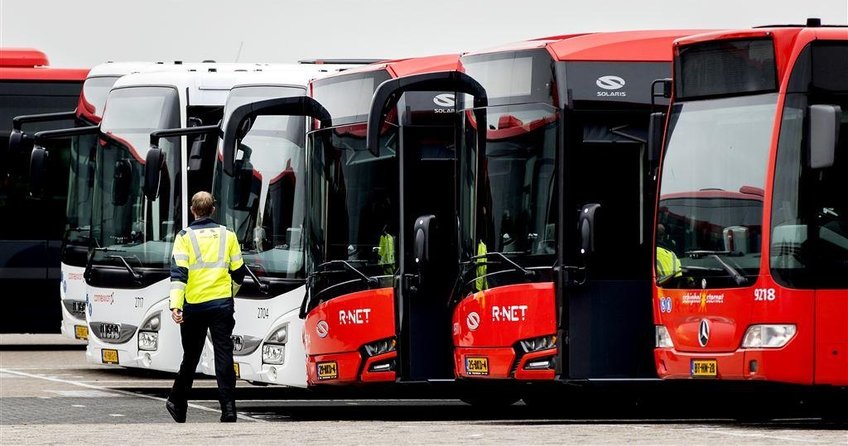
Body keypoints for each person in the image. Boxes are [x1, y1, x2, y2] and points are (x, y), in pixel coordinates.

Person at [166, 191, 246, 423]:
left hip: (194, 306)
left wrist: (176, 306)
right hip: (221, 305)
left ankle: (178, 403)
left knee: (191, 356)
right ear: (213, 209)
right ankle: (229, 409)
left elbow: (178, 274)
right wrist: (230, 292)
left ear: (193, 210)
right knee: (224, 355)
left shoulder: (184, 237)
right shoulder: (227, 235)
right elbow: (239, 272)